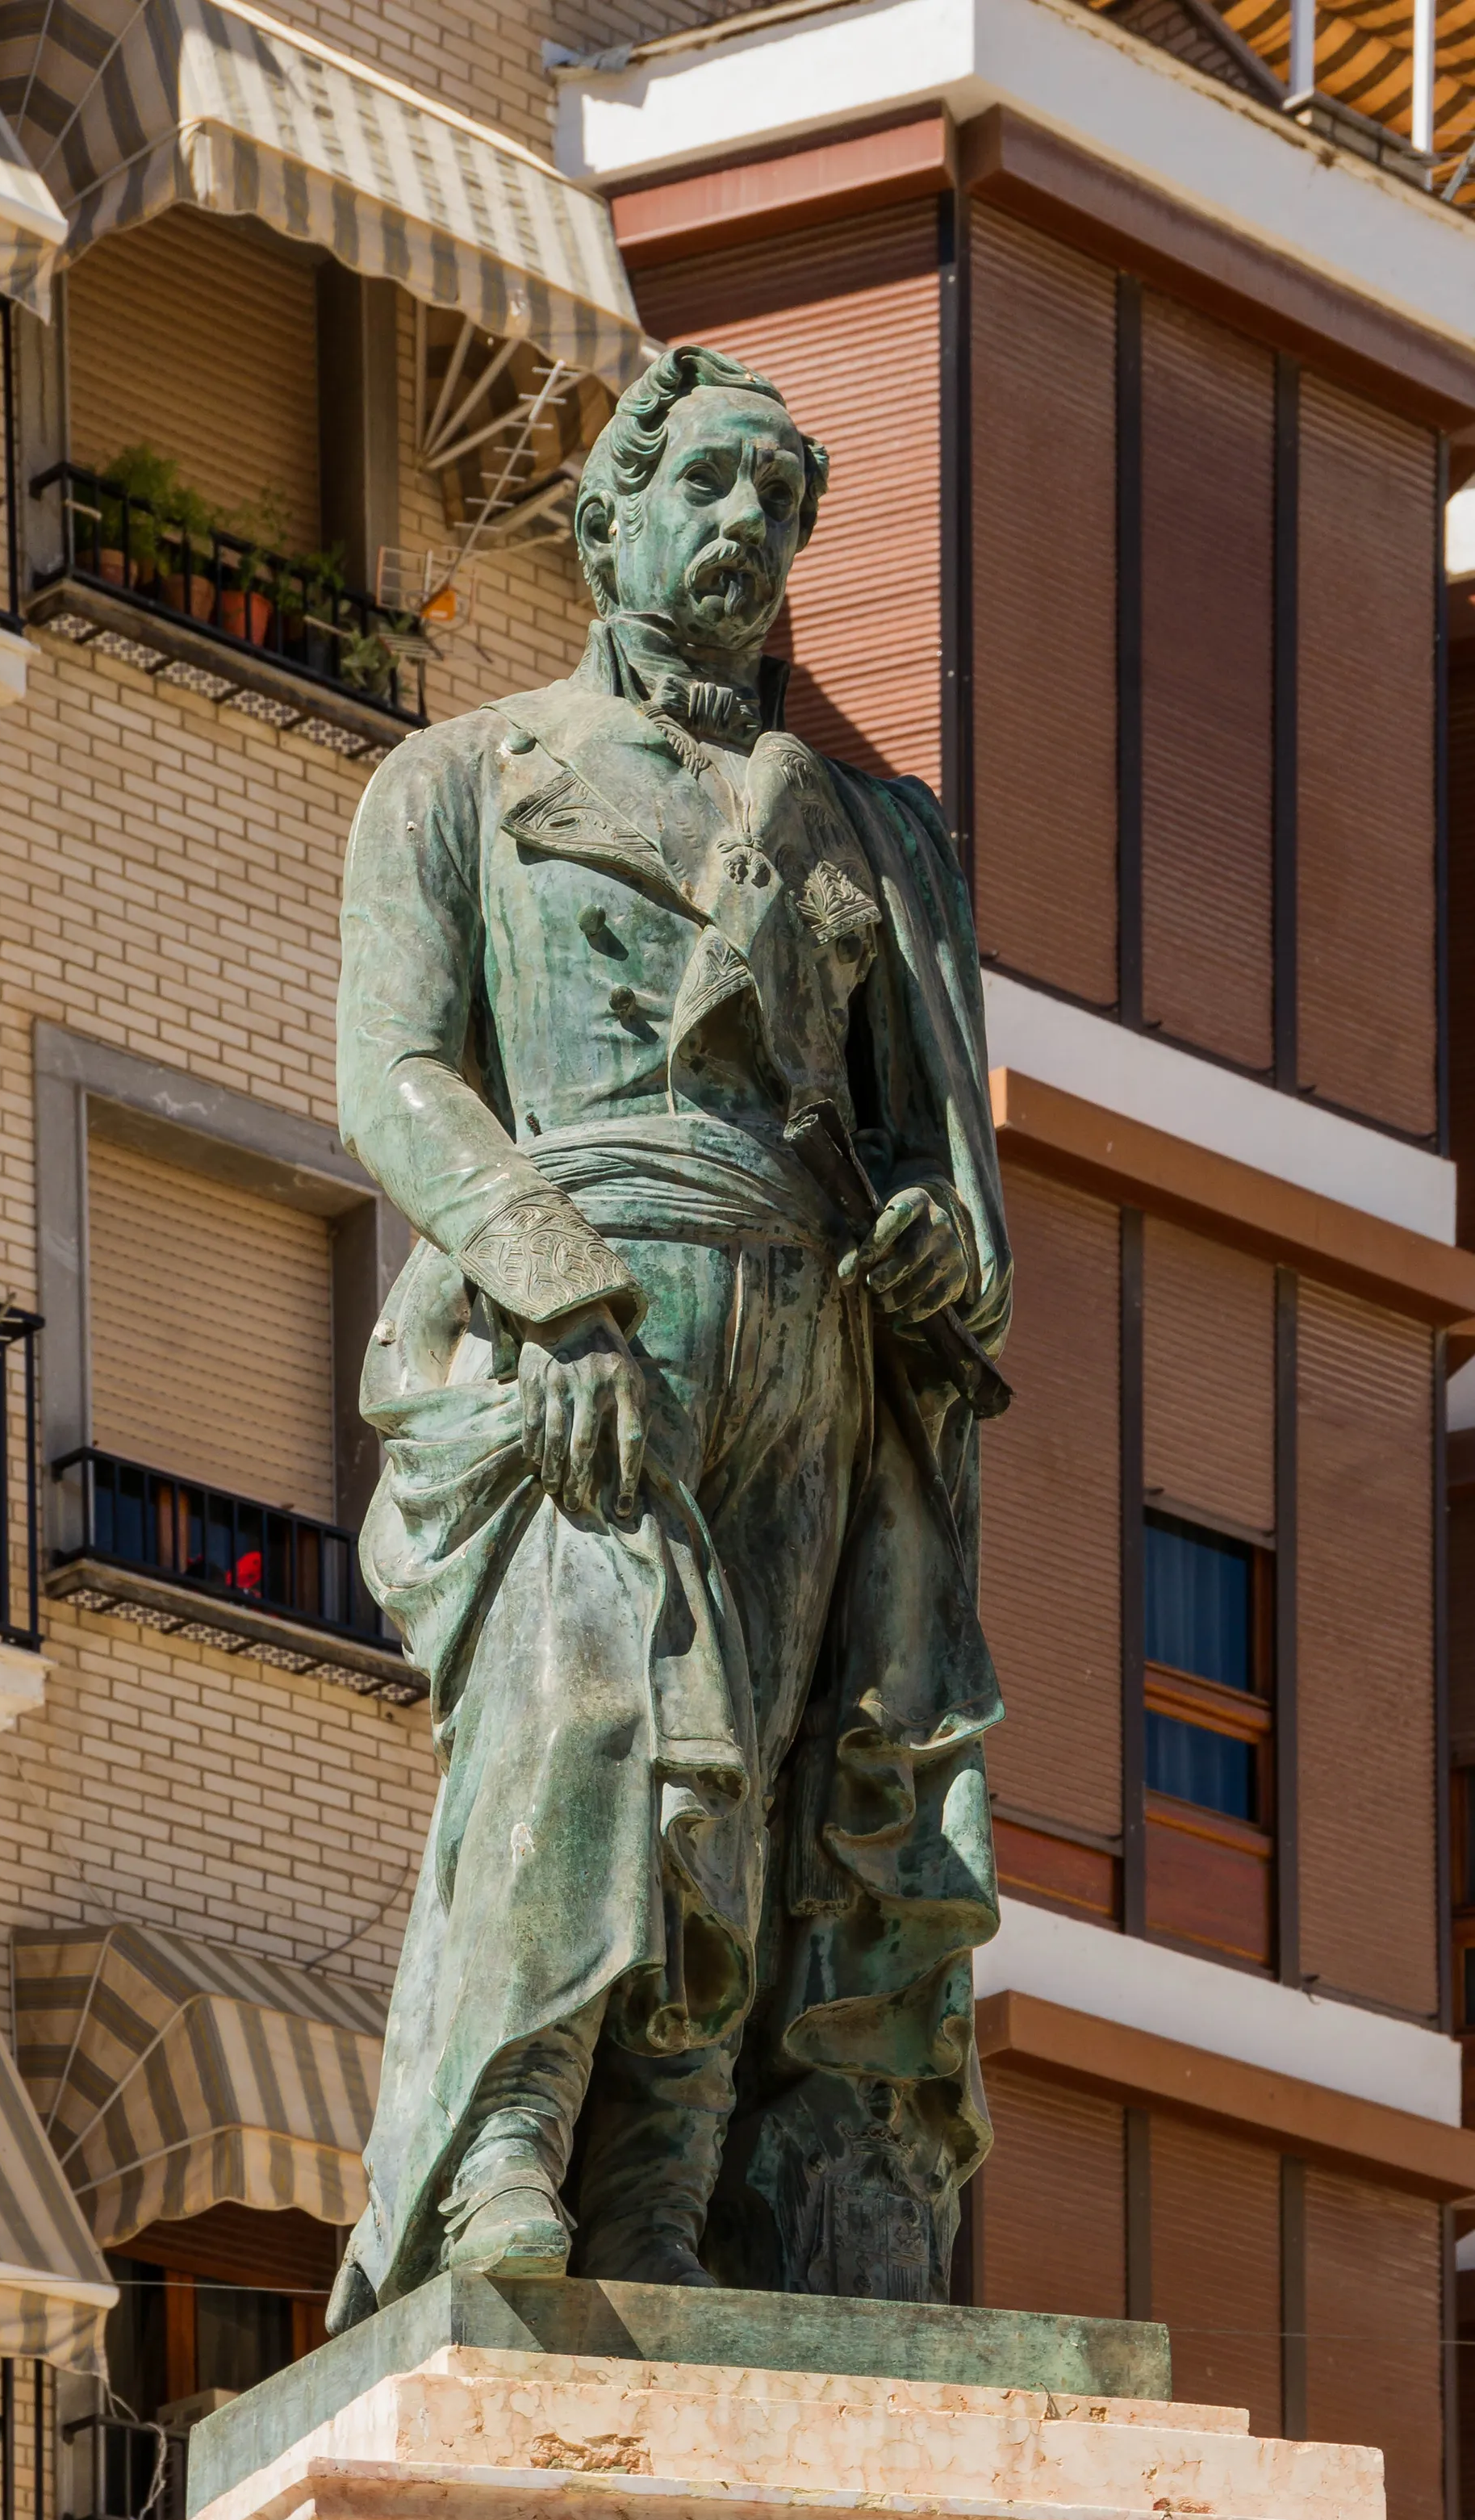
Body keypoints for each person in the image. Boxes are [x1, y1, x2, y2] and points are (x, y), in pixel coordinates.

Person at [328, 344, 1010, 2329]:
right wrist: (559, 1290)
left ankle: (659, 2198)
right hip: (581, 1319)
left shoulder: (874, 836)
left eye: (779, 508)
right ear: (606, 515)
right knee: (584, 1719)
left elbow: (945, 1160)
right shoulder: (458, 778)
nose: (745, 532)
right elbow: (394, 1081)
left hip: (806, 1339)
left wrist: (924, 1238)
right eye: (705, 489)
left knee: (763, 1777)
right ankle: (509, 2147)